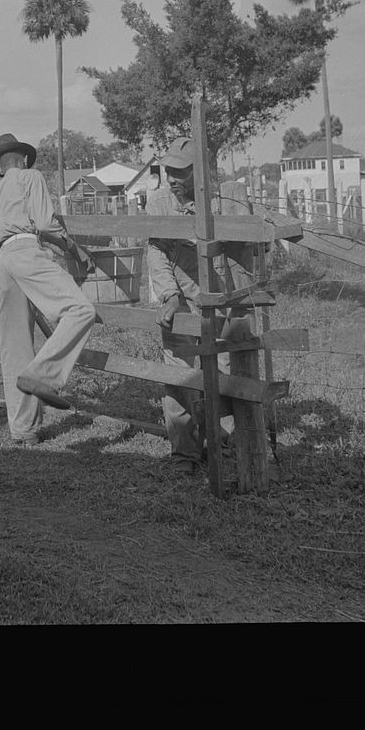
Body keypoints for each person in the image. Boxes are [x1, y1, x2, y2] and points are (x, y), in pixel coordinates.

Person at [0, 133, 97, 445]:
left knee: (15, 345)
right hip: (24, 253)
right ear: (22, 158)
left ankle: (24, 430)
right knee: (80, 309)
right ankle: (44, 375)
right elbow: (45, 224)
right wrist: (74, 248)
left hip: (1, 262)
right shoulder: (31, 176)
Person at [146, 136, 235, 476]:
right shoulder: (158, 203)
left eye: (180, 173)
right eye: (169, 171)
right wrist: (169, 294)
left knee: (225, 373)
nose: (172, 179)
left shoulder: (221, 202)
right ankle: (184, 452)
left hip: (221, 303)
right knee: (178, 374)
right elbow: (157, 250)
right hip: (180, 303)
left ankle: (222, 442)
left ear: (201, 172)